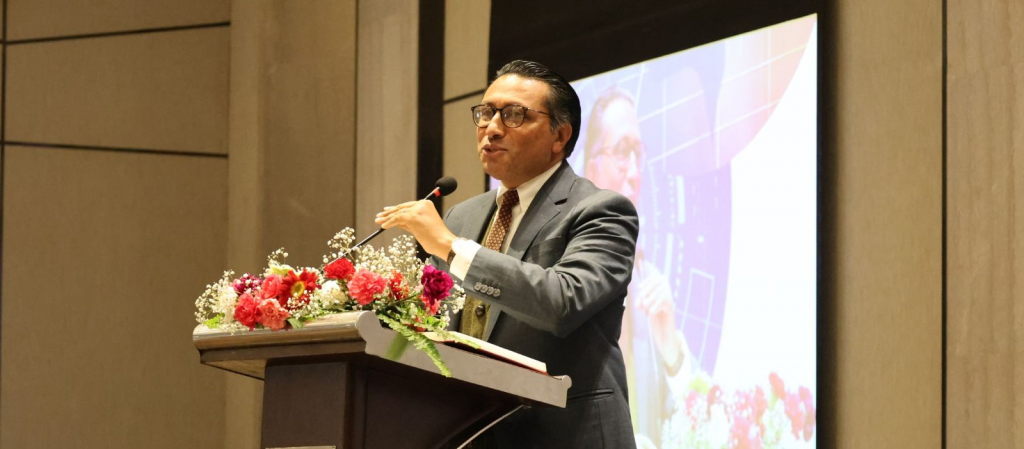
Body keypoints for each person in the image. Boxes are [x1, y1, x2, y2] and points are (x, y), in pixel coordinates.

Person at [375, 60, 639, 448]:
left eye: (515, 115)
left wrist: (450, 246)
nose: (492, 128)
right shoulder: (464, 216)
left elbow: (562, 301)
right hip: (470, 432)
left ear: (560, 135)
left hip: (565, 434)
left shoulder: (600, 210)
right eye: (486, 113)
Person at [582, 88, 694, 448]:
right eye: (621, 152)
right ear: (591, 168)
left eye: (638, 154)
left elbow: (683, 417)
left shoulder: (649, 282)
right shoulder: (563, 276)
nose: (634, 173)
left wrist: (671, 348)